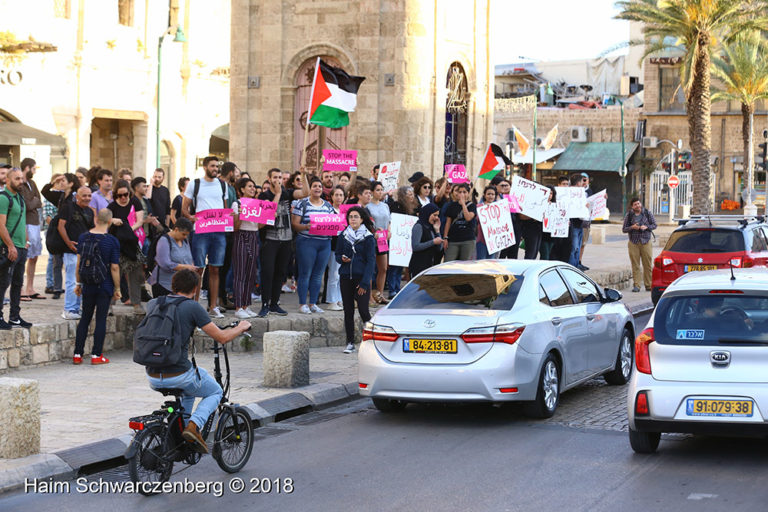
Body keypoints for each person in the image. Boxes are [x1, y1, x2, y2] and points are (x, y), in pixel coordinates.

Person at [144, 269, 251, 454]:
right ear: (195, 289)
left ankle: (185, 438)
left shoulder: (154, 303)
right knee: (215, 391)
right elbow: (222, 337)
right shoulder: (192, 307)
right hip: (178, 374)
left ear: (173, 285)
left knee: (191, 388)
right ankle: (193, 426)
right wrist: (241, 327)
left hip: (152, 374)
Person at [257, 167, 309, 317]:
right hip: (270, 240)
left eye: (280, 177)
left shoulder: (288, 193)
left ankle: (275, 303)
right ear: (269, 178)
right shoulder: (264, 195)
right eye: (275, 177)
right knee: (268, 272)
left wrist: (304, 175)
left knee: (280, 273)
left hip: (286, 240)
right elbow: (268, 213)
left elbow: (305, 193)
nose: (278, 180)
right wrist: (278, 194)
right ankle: (265, 304)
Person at [182, 156, 229, 318]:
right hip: (200, 231)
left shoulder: (223, 185)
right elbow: (184, 209)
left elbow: (224, 208)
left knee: (215, 268)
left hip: (219, 231)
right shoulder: (195, 184)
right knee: (198, 269)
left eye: (217, 166)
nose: (215, 169)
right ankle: (194, 304)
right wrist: (192, 218)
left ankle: (213, 306)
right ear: (205, 167)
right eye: (213, 166)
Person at [72, 208, 121, 365]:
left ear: (96, 220)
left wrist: (78, 283)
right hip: (104, 284)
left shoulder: (83, 237)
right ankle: (96, 355)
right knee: (100, 319)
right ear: (109, 221)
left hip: (87, 283)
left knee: (85, 318)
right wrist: (118, 288)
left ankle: (77, 354)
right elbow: (114, 267)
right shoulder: (112, 241)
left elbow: (79, 263)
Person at [291, 176, 335, 314]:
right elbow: (295, 224)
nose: (317, 188)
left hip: (324, 243)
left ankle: (313, 303)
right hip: (307, 242)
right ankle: (302, 304)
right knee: (305, 273)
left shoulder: (328, 206)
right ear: (310, 188)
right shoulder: (302, 204)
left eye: (320, 187)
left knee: (318, 274)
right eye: (315, 186)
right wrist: (306, 226)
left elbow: (334, 224)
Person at [336, 206, 376, 354]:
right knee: (348, 311)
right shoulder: (343, 235)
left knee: (364, 310)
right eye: (350, 217)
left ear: (361, 219)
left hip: (361, 279)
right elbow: (337, 254)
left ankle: (372, 339)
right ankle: (350, 342)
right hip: (346, 277)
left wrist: (365, 282)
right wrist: (341, 259)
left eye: (355, 217)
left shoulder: (368, 237)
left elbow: (371, 261)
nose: (352, 219)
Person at [107, 180, 145, 314]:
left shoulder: (135, 202)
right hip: (116, 244)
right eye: (120, 195)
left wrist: (127, 229)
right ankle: (109, 304)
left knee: (135, 274)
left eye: (126, 195)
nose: (123, 198)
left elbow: (140, 220)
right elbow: (104, 220)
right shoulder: (112, 206)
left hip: (132, 243)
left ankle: (136, 304)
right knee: (114, 275)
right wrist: (113, 221)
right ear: (116, 195)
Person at [0, 168, 30, 329]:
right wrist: (10, 245)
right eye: (17, 179)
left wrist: (26, 242)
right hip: (8, 248)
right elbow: (1, 225)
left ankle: (14, 316)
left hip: (21, 248)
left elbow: (22, 222)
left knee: (18, 283)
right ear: (8, 180)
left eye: (21, 179)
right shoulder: (3, 198)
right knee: (3, 282)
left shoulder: (20, 198)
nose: (21, 181)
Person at [59, 186, 95, 319]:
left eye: (89, 196)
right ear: (77, 196)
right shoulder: (68, 207)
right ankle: (69, 309)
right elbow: (61, 226)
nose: (87, 198)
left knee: (81, 280)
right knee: (72, 280)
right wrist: (68, 243)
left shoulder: (90, 212)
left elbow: (92, 229)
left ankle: (76, 308)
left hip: (85, 252)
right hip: (71, 251)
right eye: (84, 196)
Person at [231, 177, 261, 318]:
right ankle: (238, 307)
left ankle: (246, 305)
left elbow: (259, 225)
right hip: (241, 236)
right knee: (240, 272)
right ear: (242, 189)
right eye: (249, 186)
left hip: (254, 235)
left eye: (253, 186)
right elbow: (235, 227)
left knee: (251, 273)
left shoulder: (257, 204)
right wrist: (241, 214)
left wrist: (269, 217)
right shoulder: (236, 204)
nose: (252, 189)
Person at [147, 217, 196, 297]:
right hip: (164, 285)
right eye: (183, 234)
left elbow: (189, 258)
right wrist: (185, 267)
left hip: (182, 286)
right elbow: (165, 263)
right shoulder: (164, 240)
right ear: (176, 229)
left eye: (187, 235)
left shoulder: (185, 241)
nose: (185, 237)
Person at [19, 158, 45, 301]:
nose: (34, 171)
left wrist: (33, 201)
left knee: (34, 256)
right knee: (24, 256)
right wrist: (34, 201)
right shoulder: (20, 184)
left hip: (35, 223)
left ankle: (30, 287)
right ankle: (21, 288)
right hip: (26, 223)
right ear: (28, 168)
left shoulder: (32, 183)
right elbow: (27, 205)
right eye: (34, 168)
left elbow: (38, 201)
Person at [385, 185, 417, 299]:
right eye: (409, 194)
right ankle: (392, 289)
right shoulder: (395, 205)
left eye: (412, 194)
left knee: (400, 267)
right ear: (403, 195)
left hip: (404, 241)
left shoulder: (411, 208)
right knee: (394, 267)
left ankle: (397, 288)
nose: (411, 196)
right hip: (396, 240)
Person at [622, 197, 657, 293]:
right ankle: (636, 285)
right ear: (632, 206)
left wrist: (647, 227)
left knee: (647, 264)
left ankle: (648, 285)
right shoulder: (629, 215)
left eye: (638, 203)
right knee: (635, 265)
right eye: (635, 204)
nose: (637, 205)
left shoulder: (647, 213)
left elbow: (654, 225)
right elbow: (624, 229)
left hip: (646, 241)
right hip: (634, 242)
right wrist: (632, 227)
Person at [366, 181, 391, 305]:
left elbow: (389, 221)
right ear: (372, 192)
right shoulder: (368, 207)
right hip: (373, 238)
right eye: (377, 190)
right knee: (371, 268)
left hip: (383, 240)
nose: (380, 192)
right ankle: (369, 296)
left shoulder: (385, 205)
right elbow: (368, 223)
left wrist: (389, 232)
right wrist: (375, 231)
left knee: (384, 268)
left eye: (381, 190)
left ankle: (379, 295)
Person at [325, 185, 346, 311]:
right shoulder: (329, 211)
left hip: (344, 246)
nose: (339, 197)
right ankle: (331, 300)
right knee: (334, 274)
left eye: (341, 195)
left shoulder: (346, 212)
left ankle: (339, 299)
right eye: (336, 195)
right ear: (332, 196)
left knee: (341, 275)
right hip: (333, 246)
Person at [443, 183, 476, 261]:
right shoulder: (452, 206)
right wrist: (445, 238)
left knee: (464, 265)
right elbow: (448, 223)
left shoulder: (472, 206)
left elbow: (468, 218)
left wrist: (463, 205)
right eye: (460, 192)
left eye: (464, 192)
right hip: (453, 240)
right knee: (448, 262)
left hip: (467, 240)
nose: (462, 194)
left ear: (468, 193)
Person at [409, 203, 443, 277]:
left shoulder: (432, 227)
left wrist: (437, 231)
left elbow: (439, 248)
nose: (436, 218)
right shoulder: (419, 226)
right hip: (418, 266)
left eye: (437, 215)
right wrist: (433, 242)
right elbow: (415, 246)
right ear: (427, 214)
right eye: (434, 215)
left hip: (429, 266)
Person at [132, 177, 160, 252]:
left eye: (146, 186)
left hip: (147, 236)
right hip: (136, 237)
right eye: (144, 186)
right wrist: (145, 220)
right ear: (136, 188)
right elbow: (131, 220)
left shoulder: (145, 200)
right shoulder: (132, 201)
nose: (146, 188)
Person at [476, 185, 499, 259]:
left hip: (494, 240)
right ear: (484, 195)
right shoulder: (479, 207)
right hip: (481, 239)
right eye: (488, 194)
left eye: (493, 194)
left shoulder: (499, 207)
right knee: (481, 261)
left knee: (491, 262)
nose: (490, 196)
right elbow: (476, 220)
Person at [568, 173, 585, 267]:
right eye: (582, 181)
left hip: (580, 224)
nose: (583, 183)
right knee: (574, 247)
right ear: (578, 183)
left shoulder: (582, 193)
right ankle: (571, 266)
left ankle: (576, 265)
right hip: (573, 224)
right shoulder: (569, 192)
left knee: (577, 247)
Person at [578, 172, 592, 270]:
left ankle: (579, 260)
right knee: (576, 243)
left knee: (583, 243)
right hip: (577, 220)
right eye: (581, 179)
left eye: (585, 180)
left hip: (586, 220)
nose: (583, 182)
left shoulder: (590, 191)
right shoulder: (575, 190)